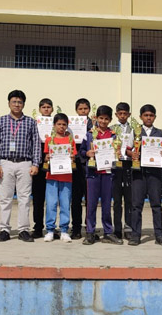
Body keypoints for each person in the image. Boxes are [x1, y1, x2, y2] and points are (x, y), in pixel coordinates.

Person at [0, 90, 40, 242]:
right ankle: (4, 229)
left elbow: (36, 144)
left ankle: (23, 230)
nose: (17, 104)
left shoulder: (30, 122)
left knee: (24, 198)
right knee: (5, 198)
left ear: (23, 104)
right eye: (14, 101)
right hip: (5, 162)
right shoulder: (1, 121)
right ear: (9, 103)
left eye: (20, 102)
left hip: (25, 163)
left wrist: (36, 164)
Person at [128, 104, 162, 247]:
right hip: (138, 172)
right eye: (146, 115)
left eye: (151, 115)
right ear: (141, 117)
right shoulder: (135, 132)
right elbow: (126, 149)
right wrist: (132, 154)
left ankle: (160, 235)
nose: (148, 118)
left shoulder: (160, 133)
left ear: (155, 117)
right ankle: (135, 235)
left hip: (154, 173)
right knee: (136, 205)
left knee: (156, 204)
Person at [80, 105, 122, 245]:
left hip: (108, 173)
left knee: (106, 204)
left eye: (106, 119)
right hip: (93, 174)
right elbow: (81, 152)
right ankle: (90, 232)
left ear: (110, 120)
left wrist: (118, 154)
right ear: (96, 118)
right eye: (101, 118)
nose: (103, 121)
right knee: (91, 204)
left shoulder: (113, 135)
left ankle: (108, 232)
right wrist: (87, 153)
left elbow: (117, 152)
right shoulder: (90, 134)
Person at [43, 113, 76, 243]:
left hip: (66, 176)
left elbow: (73, 156)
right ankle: (50, 230)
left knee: (65, 204)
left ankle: (64, 230)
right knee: (51, 203)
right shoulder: (49, 140)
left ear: (67, 126)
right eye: (59, 124)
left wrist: (72, 158)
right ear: (54, 125)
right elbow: (46, 157)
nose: (61, 127)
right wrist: (47, 157)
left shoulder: (70, 140)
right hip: (52, 176)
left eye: (64, 124)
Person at [31, 98, 53, 239]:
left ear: (52, 109)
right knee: (38, 197)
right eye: (43, 107)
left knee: (52, 198)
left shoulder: (57, 123)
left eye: (48, 107)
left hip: (54, 162)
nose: (46, 109)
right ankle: (38, 227)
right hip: (38, 163)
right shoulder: (34, 123)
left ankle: (52, 228)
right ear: (39, 109)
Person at [70, 97, 92, 239]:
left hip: (90, 164)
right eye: (80, 109)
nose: (83, 111)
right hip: (75, 164)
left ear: (89, 109)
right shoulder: (71, 124)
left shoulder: (94, 125)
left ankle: (89, 227)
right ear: (76, 110)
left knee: (90, 198)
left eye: (85, 109)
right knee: (76, 198)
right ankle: (76, 228)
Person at [111, 102, 133, 239]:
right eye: (120, 113)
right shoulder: (111, 129)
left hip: (129, 164)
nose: (123, 116)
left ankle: (129, 227)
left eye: (125, 113)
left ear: (129, 114)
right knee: (117, 199)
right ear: (116, 114)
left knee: (129, 199)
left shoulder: (135, 129)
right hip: (116, 165)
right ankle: (117, 228)